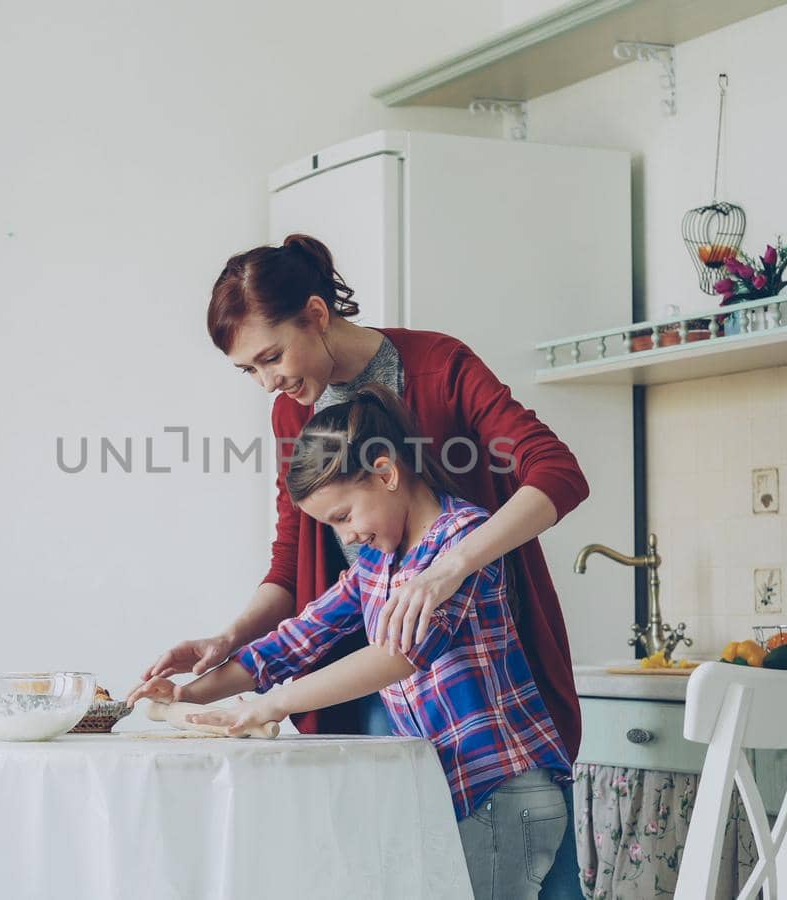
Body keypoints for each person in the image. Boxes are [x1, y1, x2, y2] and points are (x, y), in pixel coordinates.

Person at [141, 234, 590, 899]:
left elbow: (556, 471)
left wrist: (453, 567)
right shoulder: (294, 420)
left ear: (317, 314)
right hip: (372, 694)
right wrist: (215, 661)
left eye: (271, 357)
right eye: (250, 371)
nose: (270, 382)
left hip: (478, 702)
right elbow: (296, 568)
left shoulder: (439, 367)